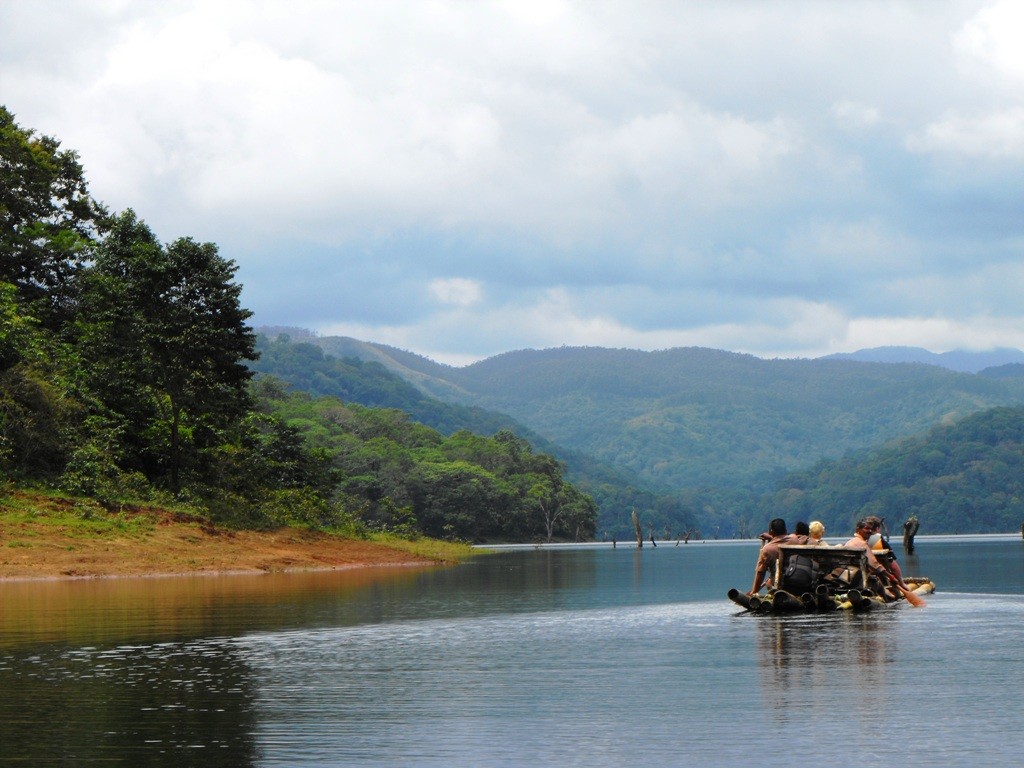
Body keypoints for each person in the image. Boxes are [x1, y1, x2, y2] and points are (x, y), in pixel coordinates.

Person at [748, 518, 791, 595]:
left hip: (779, 585)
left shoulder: (767, 549)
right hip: (795, 581)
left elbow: (760, 573)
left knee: (768, 582)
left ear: (771, 532)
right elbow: (781, 541)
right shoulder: (794, 540)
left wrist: (754, 591)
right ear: (785, 531)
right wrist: (772, 538)